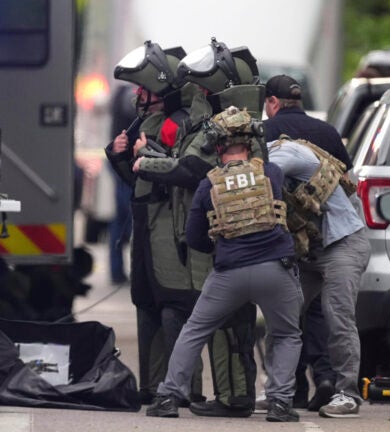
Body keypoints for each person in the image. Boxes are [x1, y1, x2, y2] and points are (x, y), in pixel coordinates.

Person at [146, 106, 303, 423]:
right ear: (250, 143)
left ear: (216, 147)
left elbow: (195, 236)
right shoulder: (271, 173)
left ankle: (168, 397)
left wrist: (219, 247)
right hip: (275, 268)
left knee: (194, 330)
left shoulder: (209, 183)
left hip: (229, 271)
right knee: (286, 334)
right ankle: (279, 404)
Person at [134, 38, 265, 418]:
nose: (196, 93)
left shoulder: (226, 126)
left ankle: (232, 397)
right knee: (223, 318)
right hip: (235, 236)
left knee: (223, 319)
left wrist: (146, 160)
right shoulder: (240, 124)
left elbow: (192, 169)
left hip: (226, 238)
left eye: (202, 87)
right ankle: (232, 395)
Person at [105, 41, 203, 405]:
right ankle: (152, 386)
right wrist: (120, 159)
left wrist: (144, 155)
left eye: (144, 90)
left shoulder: (182, 124)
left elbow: (184, 173)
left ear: (161, 93)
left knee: (174, 305)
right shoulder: (148, 124)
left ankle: (183, 388)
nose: (138, 96)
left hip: (171, 230)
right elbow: (140, 183)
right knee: (145, 302)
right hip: (147, 227)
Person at [261, 74, 354, 411]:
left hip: (291, 240)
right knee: (323, 314)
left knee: (285, 315)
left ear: (272, 102)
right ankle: (326, 378)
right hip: (329, 235)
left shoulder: (267, 134)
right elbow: (347, 178)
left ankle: (291, 387)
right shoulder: (326, 131)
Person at [266, 131, 370, 418]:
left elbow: (269, 175)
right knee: (282, 313)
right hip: (309, 250)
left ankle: (347, 393)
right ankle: (276, 390)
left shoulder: (286, 152)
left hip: (343, 243)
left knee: (337, 315)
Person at [107, 84, 136, 284]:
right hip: (126, 162)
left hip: (121, 161)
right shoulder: (129, 94)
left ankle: (117, 271)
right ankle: (121, 271)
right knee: (132, 219)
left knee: (120, 221)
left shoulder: (122, 92)